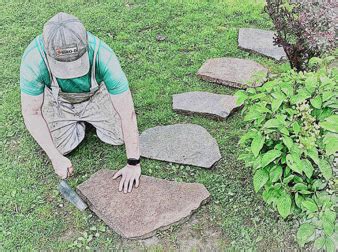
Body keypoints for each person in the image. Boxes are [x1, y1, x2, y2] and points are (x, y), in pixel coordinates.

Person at [20, 12, 141, 193]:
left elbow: (127, 113)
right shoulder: (33, 60)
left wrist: (133, 163)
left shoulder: (103, 56)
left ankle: (87, 117)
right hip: (58, 100)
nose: (70, 71)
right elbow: (31, 113)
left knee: (118, 137)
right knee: (61, 149)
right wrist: (55, 157)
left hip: (94, 96)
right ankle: (76, 123)